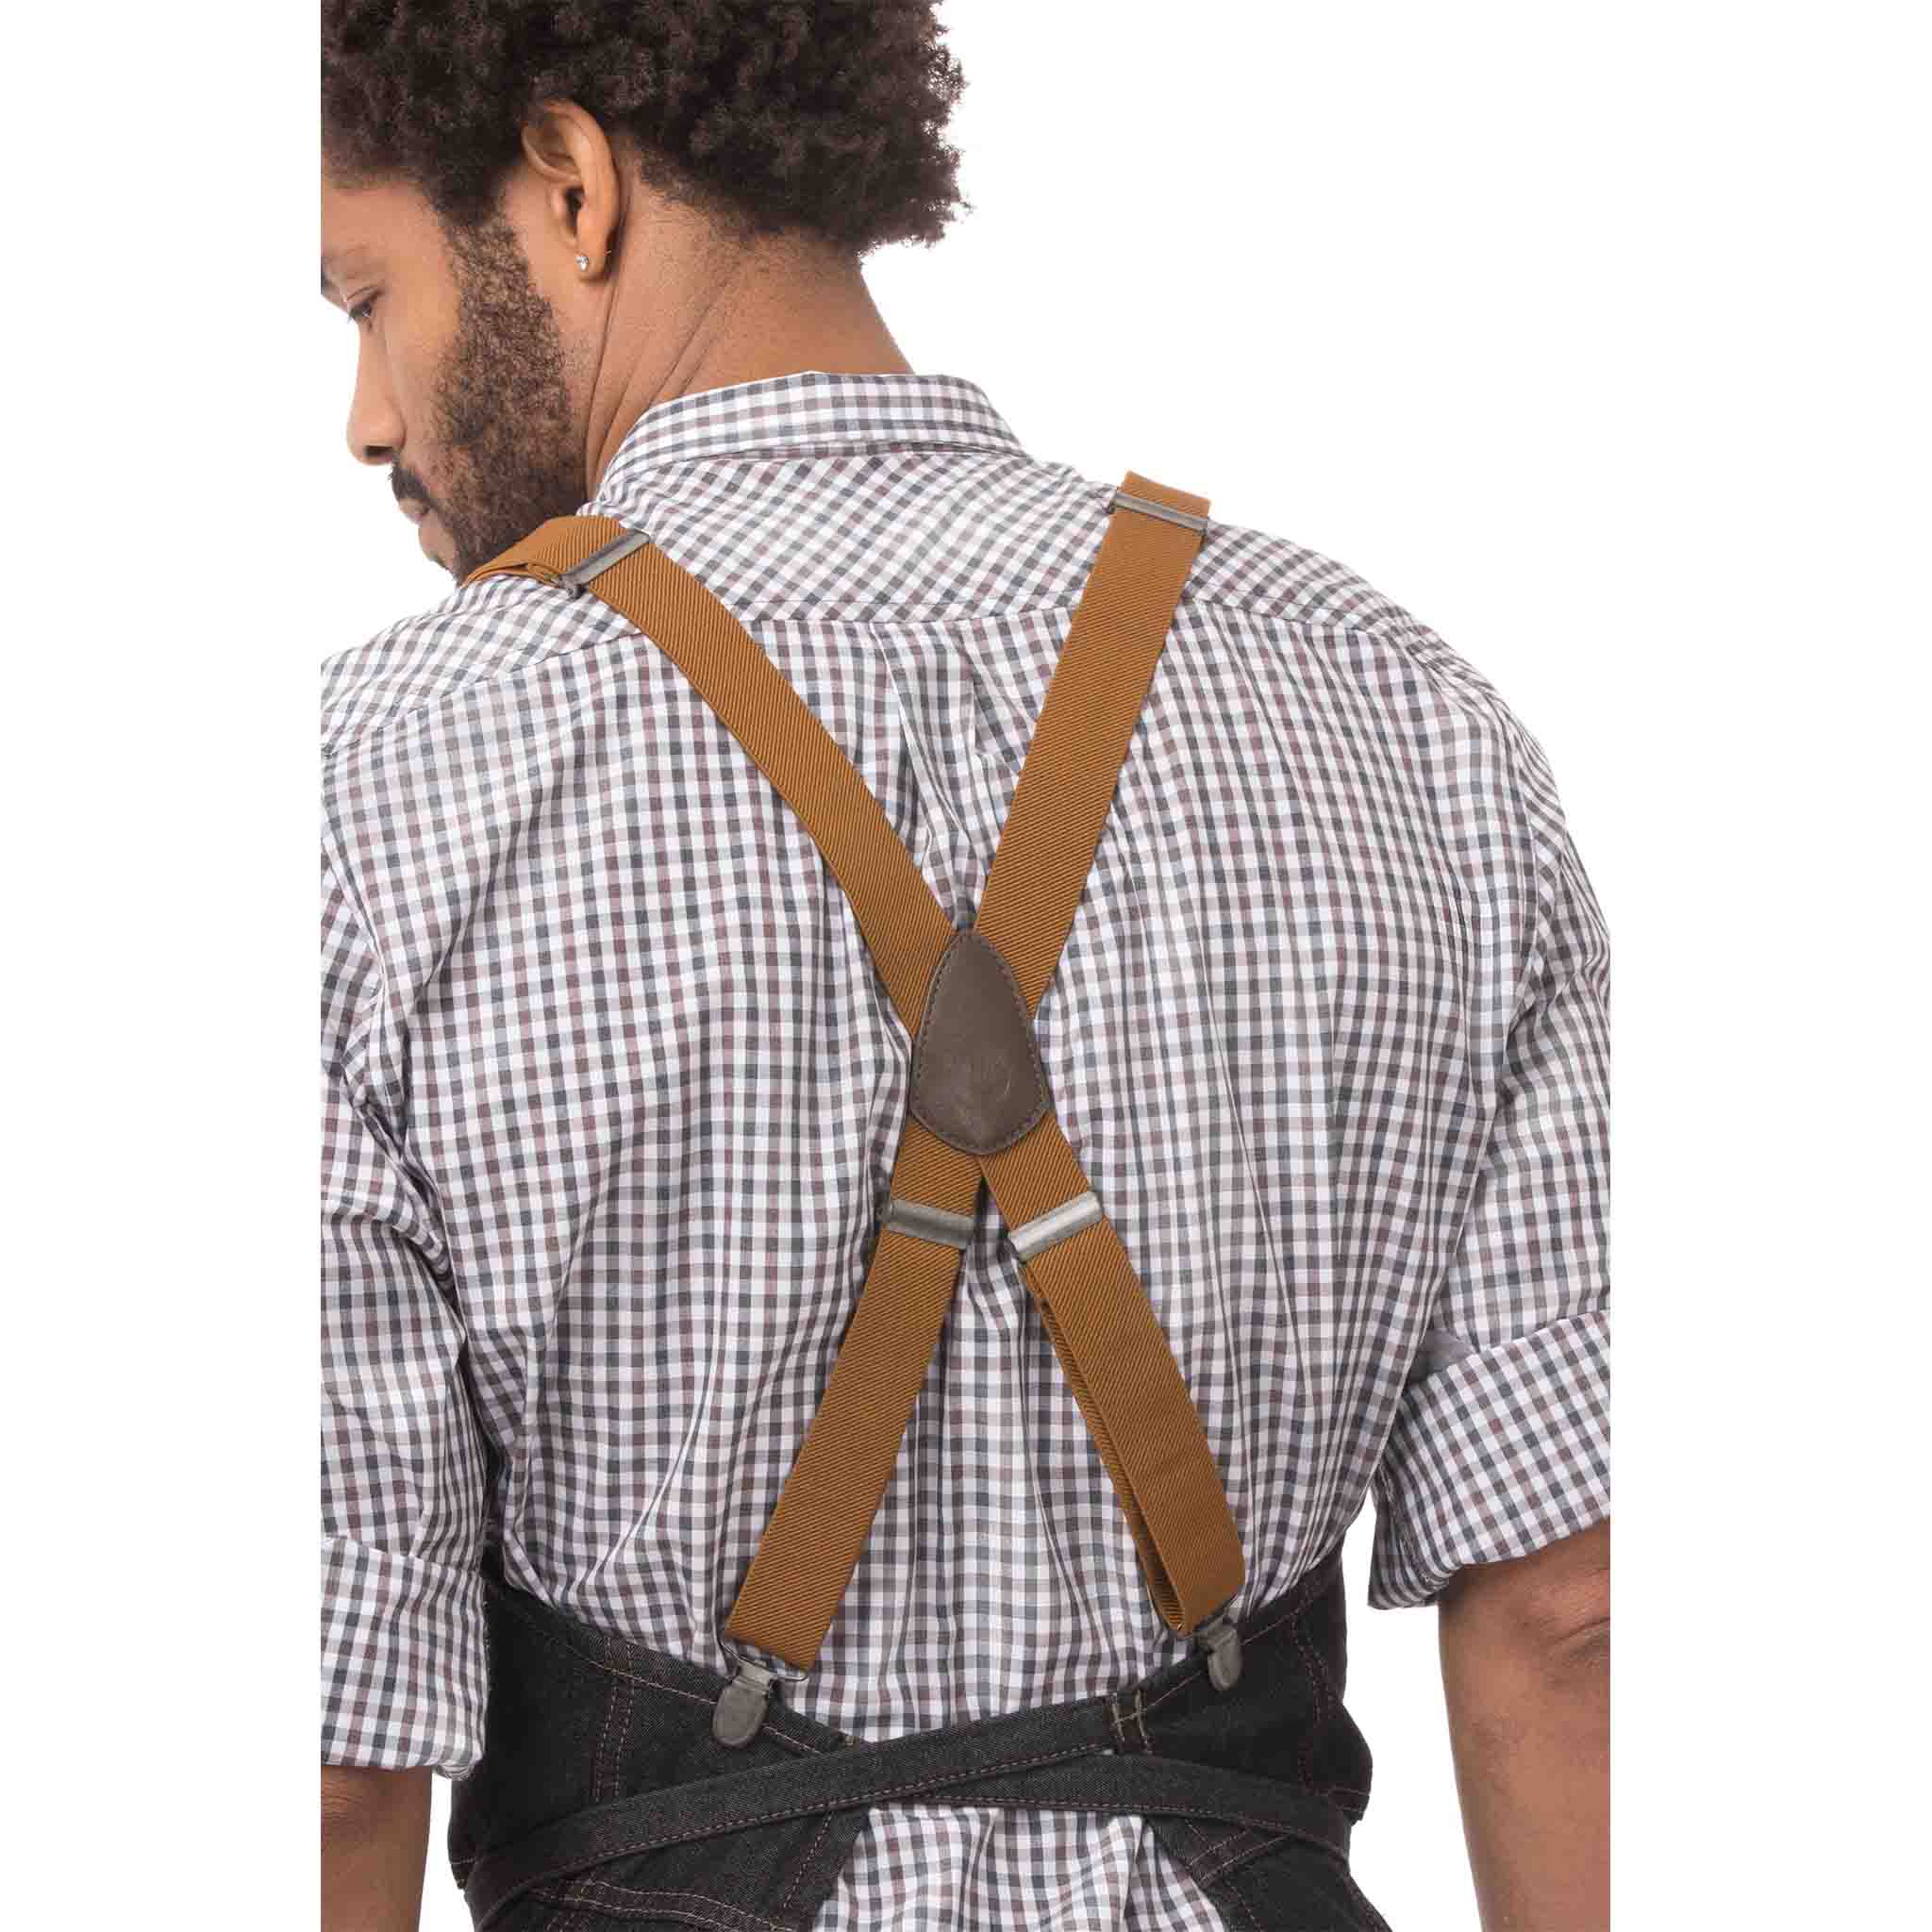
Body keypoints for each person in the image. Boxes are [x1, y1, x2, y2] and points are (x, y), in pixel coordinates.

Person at [319, 7, 1610, 1929]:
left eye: (367, 299)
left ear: (572, 188)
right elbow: (1572, 1619)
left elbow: (331, 1746)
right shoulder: (1410, 727)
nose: (366, 416)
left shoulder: (364, 793)